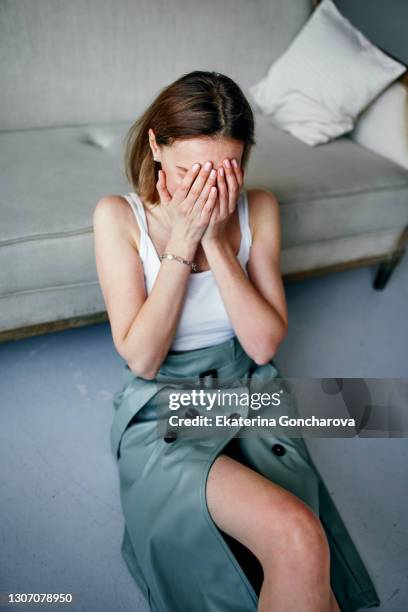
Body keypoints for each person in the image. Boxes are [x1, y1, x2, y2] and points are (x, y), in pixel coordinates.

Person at [93, 70, 380, 612]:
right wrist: (182, 243)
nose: (203, 191)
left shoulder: (259, 207)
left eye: (223, 173)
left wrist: (221, 245)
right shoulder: (119, 218)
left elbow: (264, 343)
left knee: (301, 543)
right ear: (155, 144)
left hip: (248, 384)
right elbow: (143, 357)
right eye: (186, 173)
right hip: (164, 403)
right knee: (291, 537)